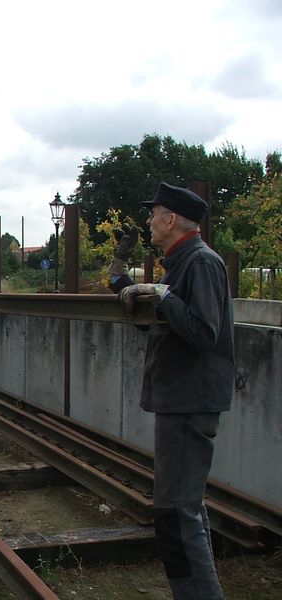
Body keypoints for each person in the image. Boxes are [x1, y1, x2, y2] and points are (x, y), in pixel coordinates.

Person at [111, 182, 234, 600]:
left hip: (190, 401)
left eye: (152, 214)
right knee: (182, 511)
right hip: (182, 399)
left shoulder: (200, 263)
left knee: (176, 514)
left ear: (170, 219)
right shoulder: (180, 263)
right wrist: (122, 276)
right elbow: (163, 317)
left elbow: (203, 331)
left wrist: (163, 296)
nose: (148, 221)